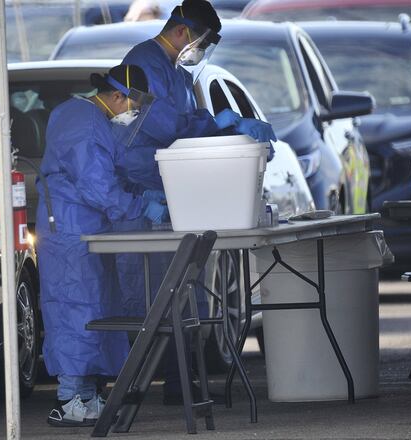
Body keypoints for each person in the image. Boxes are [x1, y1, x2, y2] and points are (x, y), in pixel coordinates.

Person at [116, 0, 276, 405]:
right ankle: (149, 383)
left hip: (172, 192)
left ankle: (180, 379)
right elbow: (160, 124)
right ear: (183, 32)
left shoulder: (178, 74)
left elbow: (187, 128)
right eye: (202, 41)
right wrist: (218, 123)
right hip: (141, 189)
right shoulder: (144, 63)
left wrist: (228, 128)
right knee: (155, 294)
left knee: (182, 291)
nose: (201, 51)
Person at [35, 64, 167, 427]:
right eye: (132, 104)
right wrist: (140, 205)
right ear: (116, 96)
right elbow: (97, 186)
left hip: (85, 228)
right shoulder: (84, 122)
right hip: (69, 229)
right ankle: (70, 398)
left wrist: (147, 187)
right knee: (75, 308)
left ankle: (88, 394)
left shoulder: (90, 119)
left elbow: (117, 167)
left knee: (96, 308)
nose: (133, 112)